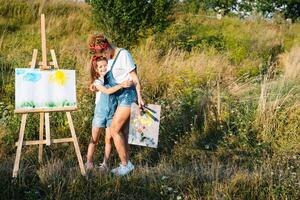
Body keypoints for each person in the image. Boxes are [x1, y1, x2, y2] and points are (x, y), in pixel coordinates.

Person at [89, 34, 144, 176]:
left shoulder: (124, 54)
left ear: (107, 47)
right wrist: (95, 85)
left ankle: (125, 165)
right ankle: (127, 164)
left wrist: (140, 97)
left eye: (104, 53)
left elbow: (135, 77)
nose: (105, 57)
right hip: (118, 99)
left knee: (114, 130)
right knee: (123, 133)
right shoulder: (111, 58)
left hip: (128, 96)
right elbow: (107, 78)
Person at [85, 55, 132, 171]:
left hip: (112, 113)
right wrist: (121, 85)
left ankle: (105, 164)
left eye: (105, 65)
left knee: (108, 139)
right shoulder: (98, 81)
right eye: (100, 67)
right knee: (94, 139)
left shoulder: (112, 78)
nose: (103, 68)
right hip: (100, 113)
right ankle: (89, 161)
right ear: (96, 69)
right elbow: (106, 91)